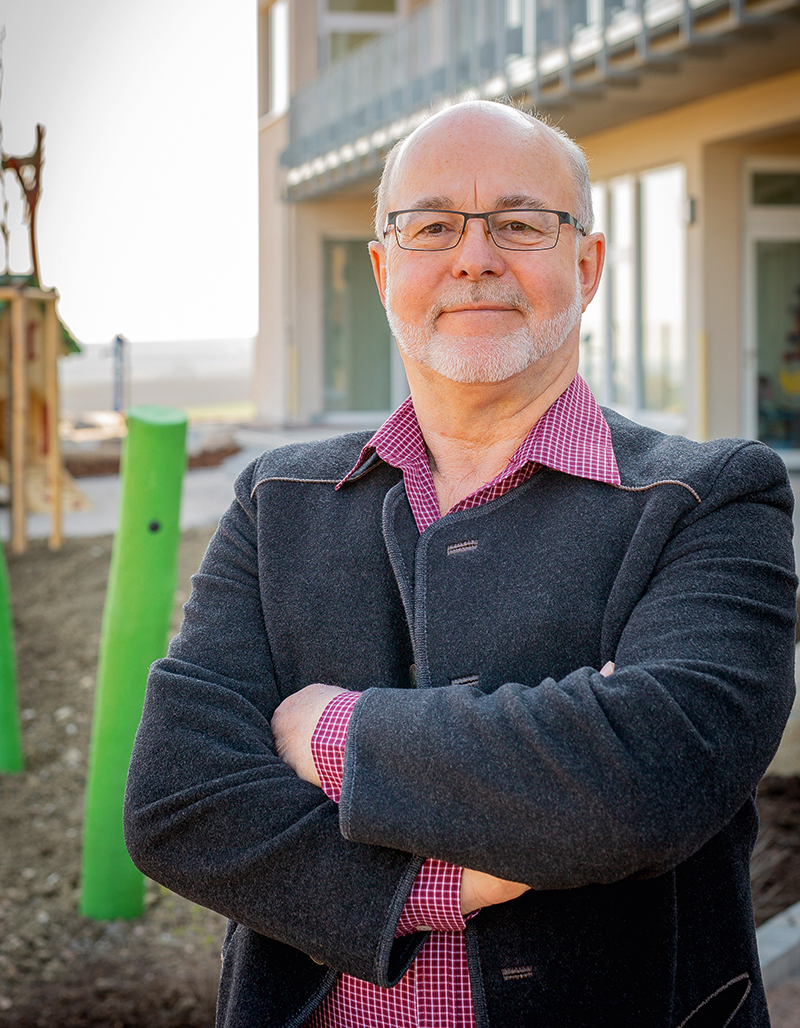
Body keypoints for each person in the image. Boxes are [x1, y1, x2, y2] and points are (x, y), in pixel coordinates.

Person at [124, 101, 797, 1028]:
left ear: (587, 266)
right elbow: (179, 798)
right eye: (433, 227)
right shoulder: (277, 501)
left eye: (520, 224)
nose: (474, 257)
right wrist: (447, 879)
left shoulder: (711, 499)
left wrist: (331, 733)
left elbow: (651, 777)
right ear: (383, 270)